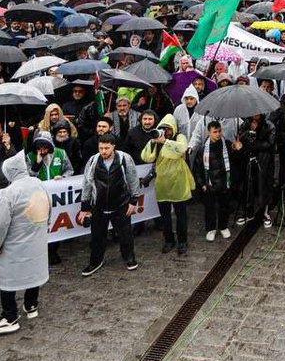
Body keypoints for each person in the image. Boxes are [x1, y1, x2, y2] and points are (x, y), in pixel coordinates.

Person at [0, 153, 51, 336]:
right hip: (37, 237)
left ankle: (9, 316)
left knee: (8, 279)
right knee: (34, 271)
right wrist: (45, 228)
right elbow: (49, 206)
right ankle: (31, 305)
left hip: (15, 242)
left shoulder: (10, 192)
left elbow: (1, 223)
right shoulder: (37, 183)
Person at [76, 133, 141, 276]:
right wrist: (85, 208)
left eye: (107, 148)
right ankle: (96, 261)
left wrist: (133, 201)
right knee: (97, 236)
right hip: (98, 206)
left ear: (113, 147)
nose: (104, 151)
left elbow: (133, 180)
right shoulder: (93, 160)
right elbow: (87, 183)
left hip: (121, 204)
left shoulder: (124, 159)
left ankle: (129, 257)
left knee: (125, 235)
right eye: (101, 148)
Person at [142, 114, 194, 254]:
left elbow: (182, 149)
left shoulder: (179, 137)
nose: (165, 131)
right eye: (162, 128)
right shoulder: (156, 140)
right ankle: (168, 240)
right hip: (162, 182)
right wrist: (153, 142)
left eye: (168, 128)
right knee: (165, 215)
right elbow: (146, 157)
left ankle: (182, 241)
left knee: (181, 214)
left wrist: (166, 141)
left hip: (178, 181)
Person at [194, 121, 233, 241]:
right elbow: (197, 169)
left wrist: (238, 149)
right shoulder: (203, 149)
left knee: (224, 206)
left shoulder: (227, 145)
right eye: (215, 132)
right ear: (209, 132)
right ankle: (211, 229)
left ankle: (223, 226)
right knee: (209, 208)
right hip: (209, 184)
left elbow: (235, 162)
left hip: (224, 182)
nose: (218, 134)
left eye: (219, 131)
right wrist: (202, 184)